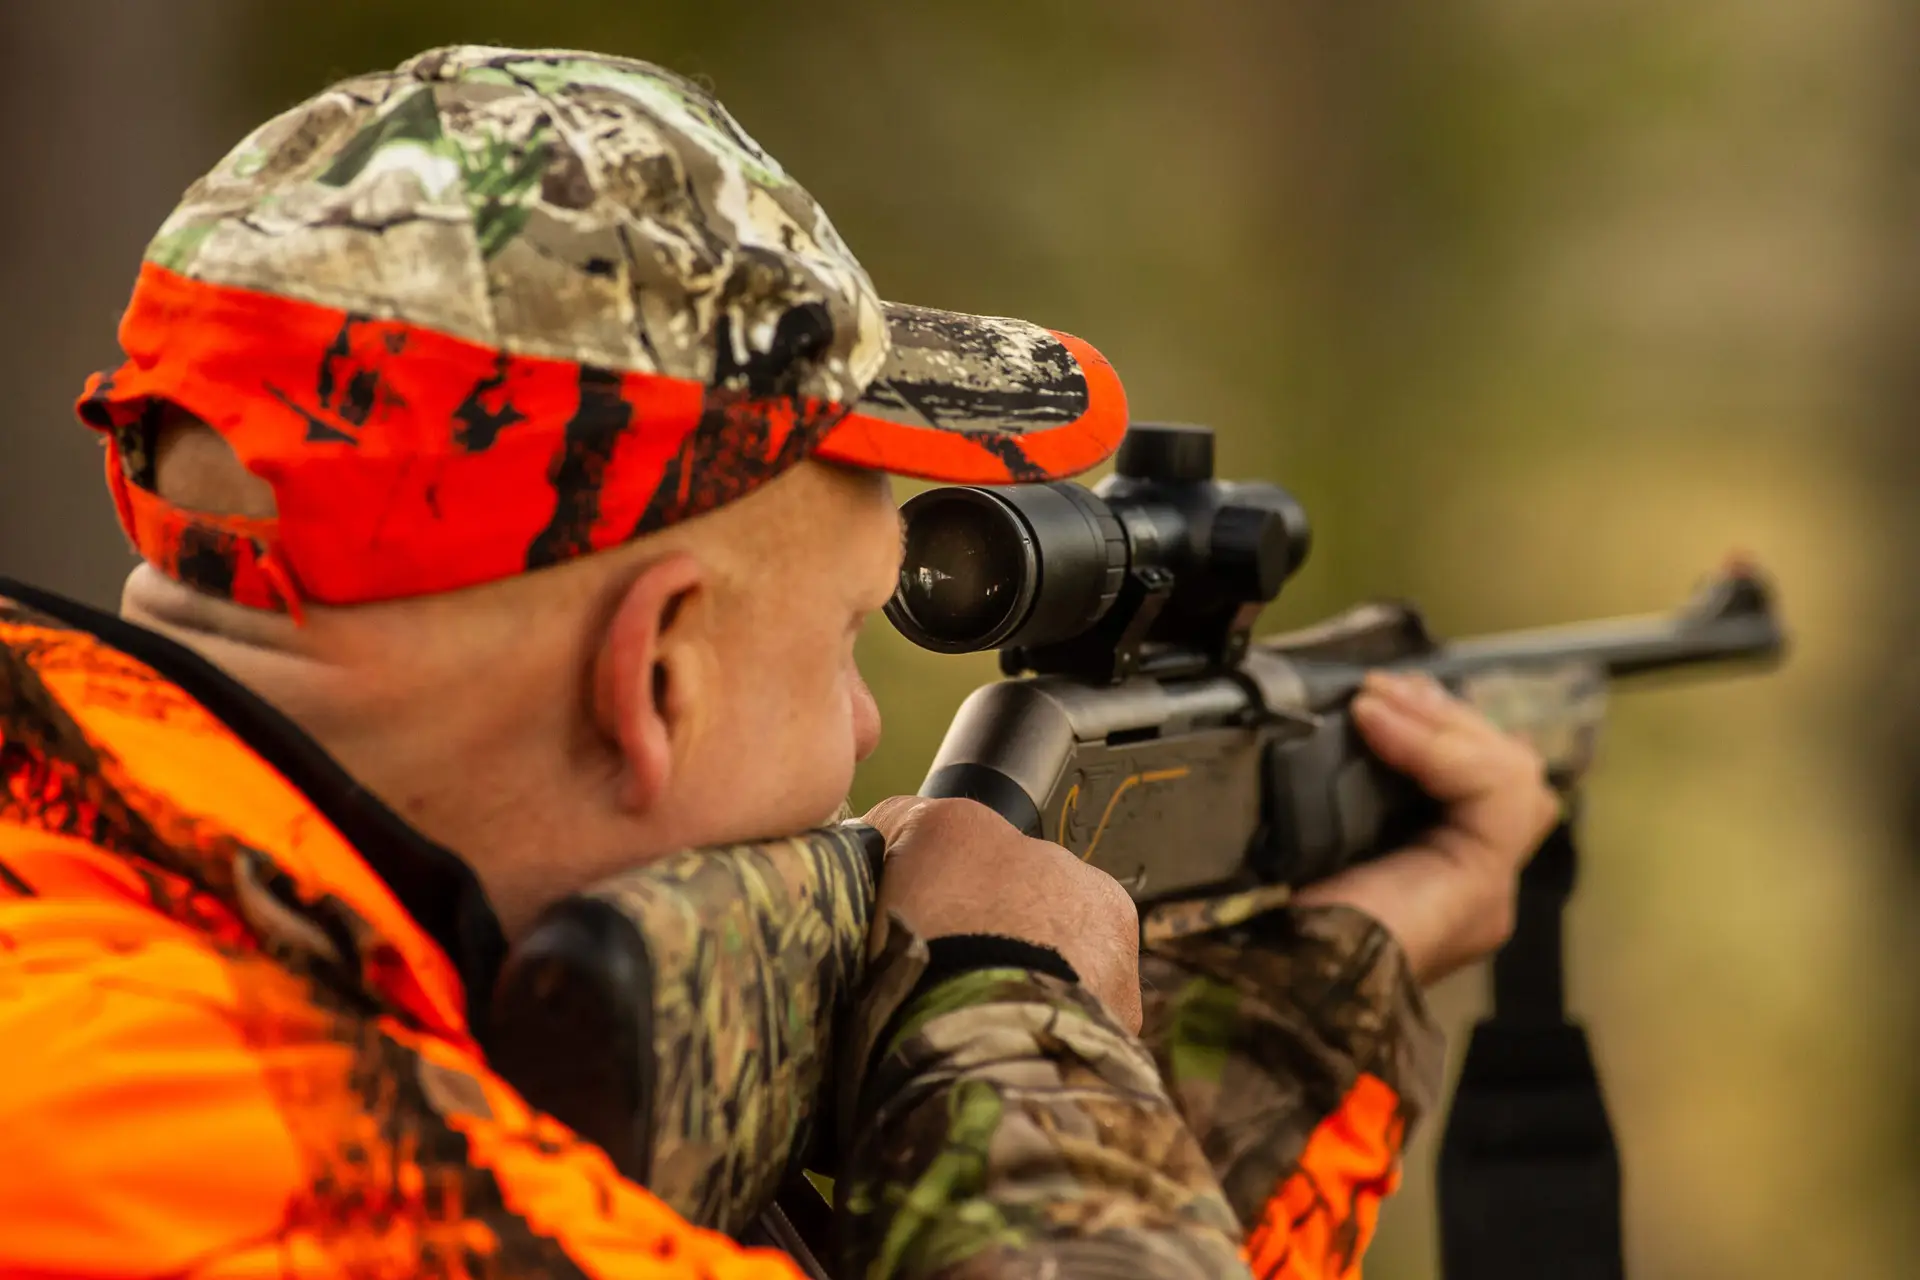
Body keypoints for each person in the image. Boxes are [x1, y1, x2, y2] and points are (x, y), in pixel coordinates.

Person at [0, 45, 1557, 1280]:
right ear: (657, 675)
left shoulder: (221, 974)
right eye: (847, 638)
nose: (875, 730)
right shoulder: (198, 1146)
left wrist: (1286, 1015)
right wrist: (1006, 1009)